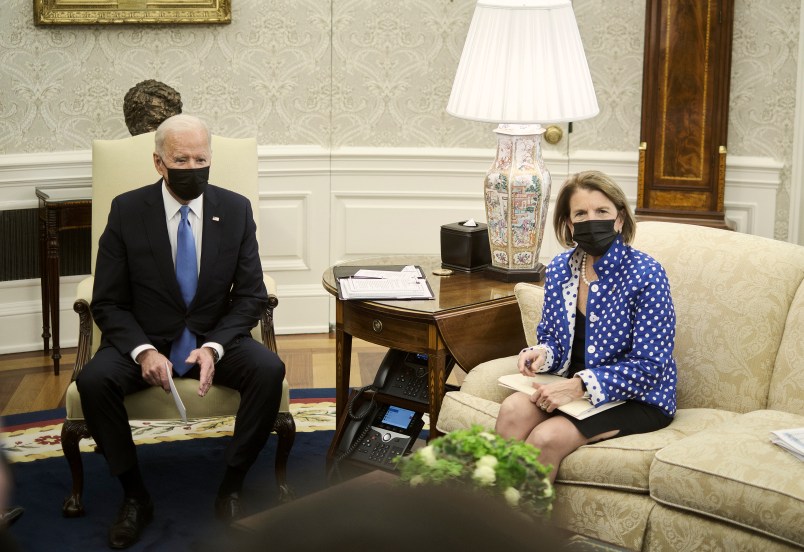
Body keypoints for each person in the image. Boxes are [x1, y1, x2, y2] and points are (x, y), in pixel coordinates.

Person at [77, 113, 285, 549]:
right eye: (181, 159)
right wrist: (142, 351)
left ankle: (231, 485)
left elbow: (250, 295)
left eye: (201, 158)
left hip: (215, 335)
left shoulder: (235, 208)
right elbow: (108, 301)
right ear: (159, 163)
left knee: (269, 369)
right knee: (93, 381)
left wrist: (214, 346)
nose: (192, 168)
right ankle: (134, 495)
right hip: (147, 336)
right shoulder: (128, 210)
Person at [495, 170, 677, 482]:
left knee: (546, 438)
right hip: (569, 388)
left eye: (602, 211)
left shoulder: (647, 274)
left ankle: (520, 530)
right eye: (581, 213)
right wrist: (542, 354)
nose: (591, 220)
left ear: (619, 219)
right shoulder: (559, 270)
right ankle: (489, 518)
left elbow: (651, 365)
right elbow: (552, 337)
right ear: (569, 224)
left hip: (637, 397)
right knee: (512, 410)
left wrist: (579, 385)